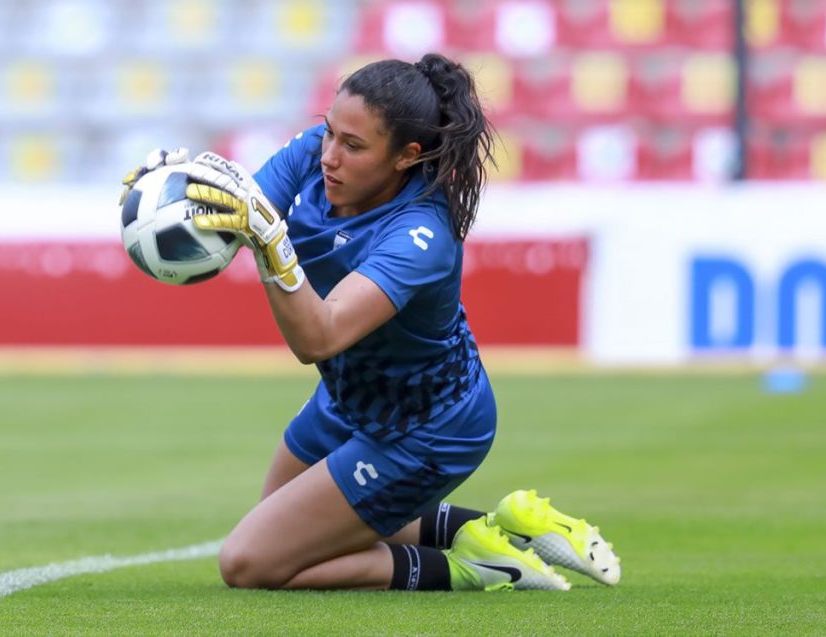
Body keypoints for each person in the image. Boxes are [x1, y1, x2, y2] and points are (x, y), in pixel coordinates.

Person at [123, 53, 620, 592]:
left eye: (354, 146)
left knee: (251, 563)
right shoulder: (315, 153)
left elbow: (318, 336)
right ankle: (499, 527)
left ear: (406, 156)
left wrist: (271, 240)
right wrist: (182, 187)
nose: (329, 157)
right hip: (349, 399)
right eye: (330, 132)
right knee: (290, 526)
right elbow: (242, 208)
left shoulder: (420, 235)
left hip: (427, 427)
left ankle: (467, 568)